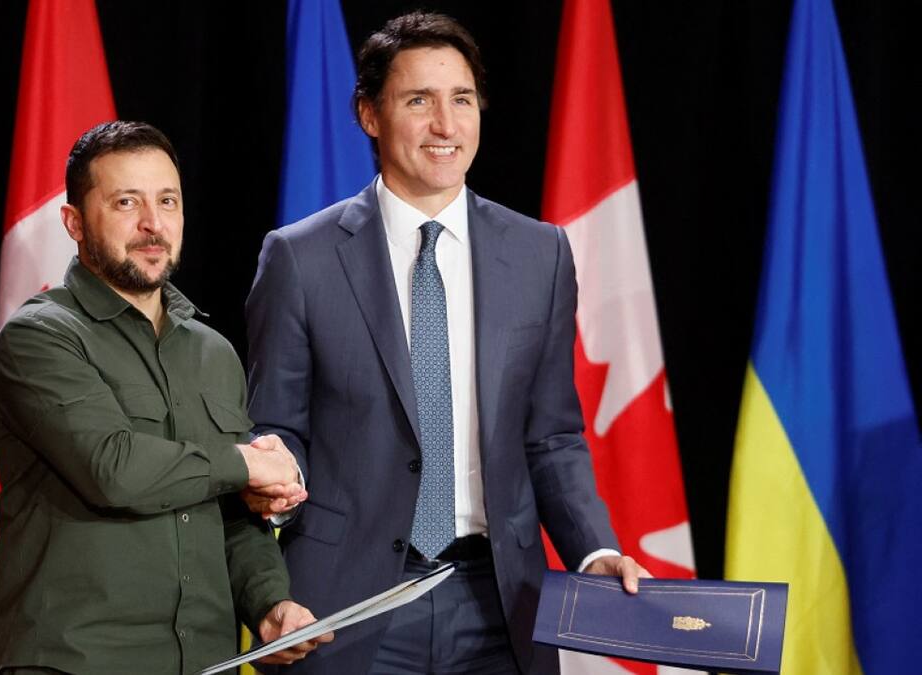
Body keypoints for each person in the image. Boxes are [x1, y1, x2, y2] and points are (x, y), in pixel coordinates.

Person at [245, 12, 648, 674]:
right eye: (418, 101)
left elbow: (552, 435)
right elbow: (275, 431)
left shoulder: (540, 253)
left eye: (462, 100)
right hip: (348, 604)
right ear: (369, 115)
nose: (446, 125)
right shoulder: (300, 258)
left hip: (500, 600)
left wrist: (593, 550)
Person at [0, 120, 330, 675]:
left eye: (167, 201)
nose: (153, 224)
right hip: (77, 661)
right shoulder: (40, 337)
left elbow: (232, 512)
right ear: (73, 222)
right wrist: (246, 463)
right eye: (126, 202)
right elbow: (114, 467)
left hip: (205, 661)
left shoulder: (213, 352)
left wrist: (269, 603)